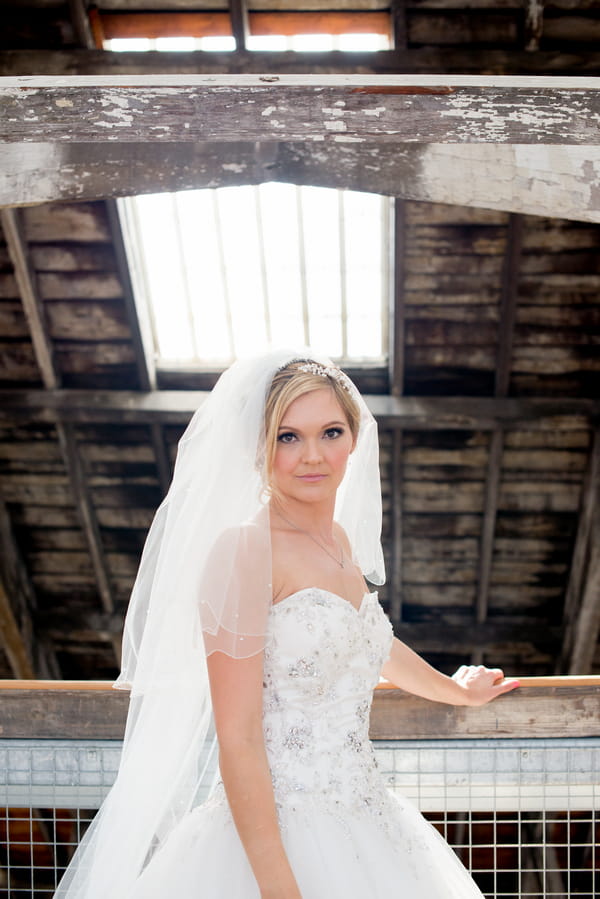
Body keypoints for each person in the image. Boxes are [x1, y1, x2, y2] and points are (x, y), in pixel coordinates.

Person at [55, 349, 519, 899]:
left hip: (368, 819)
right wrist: (280, 889)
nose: (312, 456)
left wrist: (456, 692)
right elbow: (239, 737)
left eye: (330, 431)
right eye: (287, 437)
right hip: (274, 842)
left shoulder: (340, 543)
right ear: (259, 448)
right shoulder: (244, 551)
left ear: (354, 438)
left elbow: (370, 641)